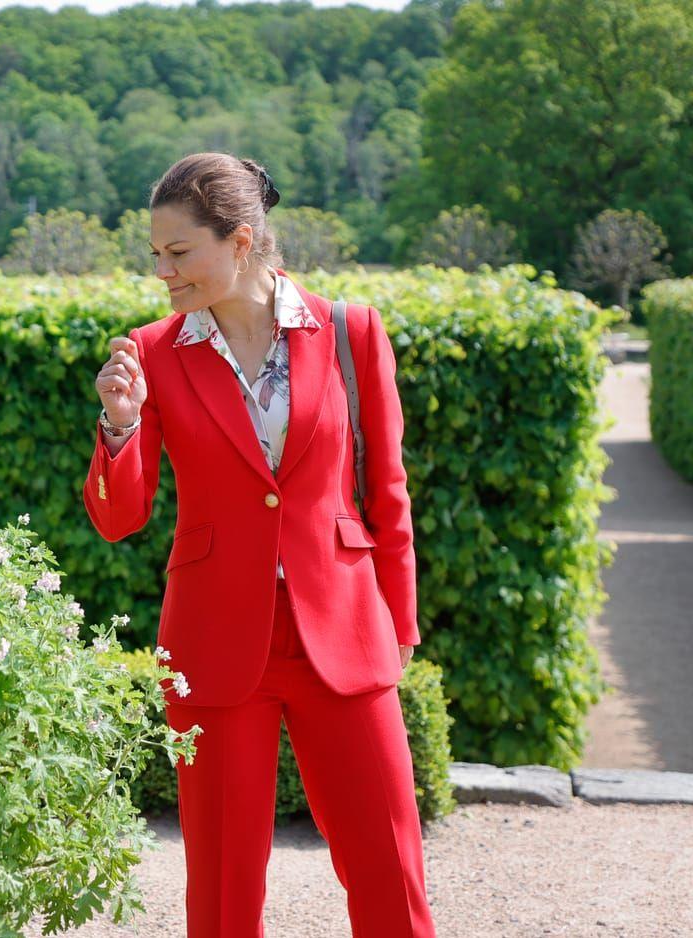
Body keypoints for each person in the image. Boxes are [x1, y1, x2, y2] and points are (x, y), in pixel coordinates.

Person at [83, 151, 437, 937]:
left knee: (389, 870)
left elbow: (387, 489)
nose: (163, 273)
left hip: (343, 633)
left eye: (180, 254)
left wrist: (399, 623)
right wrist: (121, 424)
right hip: (214, 644)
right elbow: (120, 518)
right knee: (221, 888)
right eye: (156, 256)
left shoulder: (351, 330)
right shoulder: (150, 351)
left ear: (241, 241)